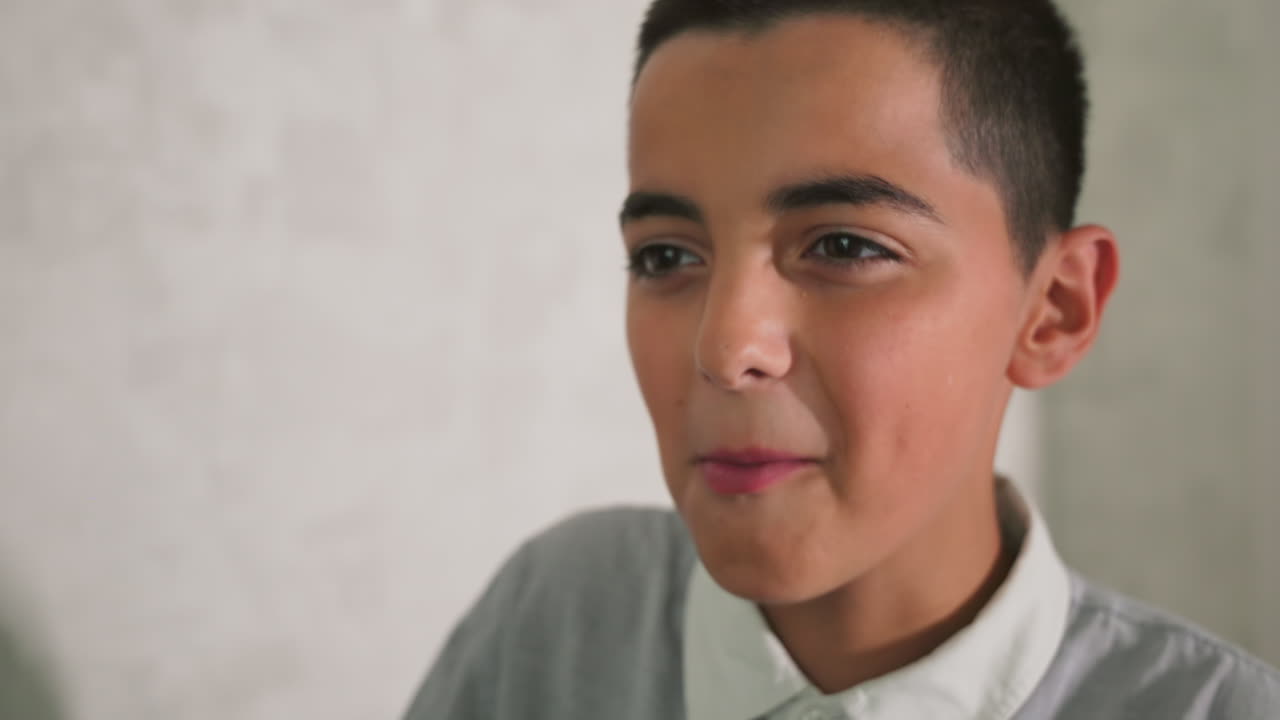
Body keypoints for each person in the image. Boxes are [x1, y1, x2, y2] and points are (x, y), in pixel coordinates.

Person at [405, 1, 1280, 718]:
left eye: (845, 247)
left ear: (1052, 311)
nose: (726, 348)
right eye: (665, 257)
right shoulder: (557, 623)